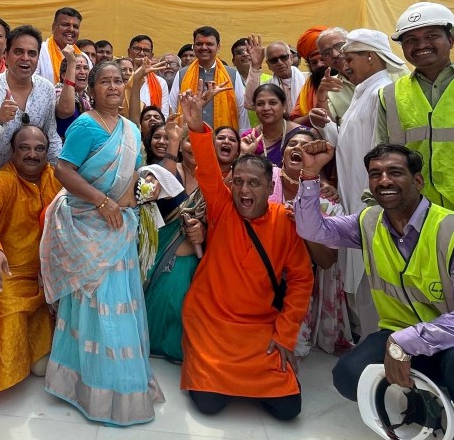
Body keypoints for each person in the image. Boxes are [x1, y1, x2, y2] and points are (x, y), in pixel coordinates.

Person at [179, 80, 313, 420]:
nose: (243, 190)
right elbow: (208, 170)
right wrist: (196, 125)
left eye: (254, 183)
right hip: (212, 322)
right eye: (237, 182)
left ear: (271, 187)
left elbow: (300, 281)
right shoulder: (222, 207)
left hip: (261, 328)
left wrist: (285, 336)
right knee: (209, 406)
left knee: (288, 411)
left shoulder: (285, 220)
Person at [39, 61, 164, 425]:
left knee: (120, 302)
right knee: (95, 305)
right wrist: (102, 201)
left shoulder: (127, 126)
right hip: (89, 225)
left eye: (118, 81)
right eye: (105, 81)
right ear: (90, 89)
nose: (112, 86)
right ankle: (88, 385)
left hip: (120, 227)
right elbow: (62, 169)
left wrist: (142, 190)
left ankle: (124, 385)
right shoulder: (85, 124)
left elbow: (133, 154)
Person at [294, 140, 454, 403]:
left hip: (446, 339)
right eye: (375, 174)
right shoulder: (367, 222)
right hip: (395, 332)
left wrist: (406, 342)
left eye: (395, 172)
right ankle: (420, 396)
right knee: (348, 375)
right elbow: (311, 230)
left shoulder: (448, 229)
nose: (384, 181)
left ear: (417, 181)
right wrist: (311, 175)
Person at [309, 29, 407, 341]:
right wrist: (325, 123)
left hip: (375, 209)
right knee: (363, 292)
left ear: (371, 57)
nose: (344, 63)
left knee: (377, 292)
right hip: (357, 206)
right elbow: (348, 145)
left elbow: (384, 155)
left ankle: (383, 362)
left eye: (350, 57)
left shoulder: (385, 92)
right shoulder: (363, 91)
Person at [0, 125, 61, 396]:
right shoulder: (1, 181)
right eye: (25, 148)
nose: (32, 154)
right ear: (12, 151)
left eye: (39, 148)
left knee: (42, 366)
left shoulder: (56, 179)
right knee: (7, 315)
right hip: (6, 277)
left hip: (44, 281)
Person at [268, 129, 352, 356]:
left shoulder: (328, 203)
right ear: (283, 152)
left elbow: (327, 262)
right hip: (259, 275)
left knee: (293, 349)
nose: (297, 148)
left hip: (301, 283)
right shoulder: (263, 182)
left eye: (305, 145)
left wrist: (306, 231)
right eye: (292, 143)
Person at [377, 1, 454, 209]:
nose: (421, 45)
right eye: (411, 40)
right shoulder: (390, 94)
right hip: (418, 210)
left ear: (450, 39)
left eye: (431, 36)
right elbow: (383, 156)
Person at [141, 120, 203, 362]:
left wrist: (204, 230)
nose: (194, 146)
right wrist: (173, 141)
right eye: (189, 140)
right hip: (160, 258)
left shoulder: (213, 178)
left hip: (194, 261)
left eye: (201, 142)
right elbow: (154, 182)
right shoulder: (164, 170)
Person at [0, 25, 62, 170]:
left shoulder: (46, 89)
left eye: (32, 53)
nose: (25, 58)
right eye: (18, 51)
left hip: (33, 178)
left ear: (38, 58)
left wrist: (60, 172)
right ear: (6, 55)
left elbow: (51, 135)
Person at [170, 26, 250, 132]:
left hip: (223, 141)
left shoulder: (232, 75)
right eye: (199, 44)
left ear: (218, 47)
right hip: (189, 141)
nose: (204, 47)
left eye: (209, 44)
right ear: (193, 47)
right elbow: (172, 109)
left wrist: (243, 139)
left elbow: (241, 112)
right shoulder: (182, 74)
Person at [241, 83, 302, 166]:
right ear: (255, 108)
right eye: (260, 104)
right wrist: (246, 154)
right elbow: (235, 176)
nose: (266, 108)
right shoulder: (249, 138)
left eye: (272, 103)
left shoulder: (301, 134)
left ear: (284, 106)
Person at [244, 38, 306, 116]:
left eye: (283, 57)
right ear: (268, 65)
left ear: (291, 58)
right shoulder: (268, 87)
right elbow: (250, 104)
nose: (279, 63)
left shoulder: (308, 80)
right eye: (274, 60)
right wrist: (256, 66)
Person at [36, 7, 91, 84]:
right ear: (53, 27)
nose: (71, 29)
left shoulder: (84, 58)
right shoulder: (39, 52)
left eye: (75, 26)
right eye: (65, 25)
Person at [290, 26, 331, 124]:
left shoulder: (351, 79)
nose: (319, 65)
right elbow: (294, 121)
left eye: (323, 59)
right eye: (314, 62)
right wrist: (310, 117)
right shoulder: (309, 87)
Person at [55, 46, 92, 139]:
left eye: (86, 68)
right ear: (64, 75)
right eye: (77, 67)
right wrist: (71, 62)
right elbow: (66, 110)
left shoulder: (88, 98)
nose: (83, 72)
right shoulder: (56, 93)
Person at [128, 35, 170, 117]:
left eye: (146, 50)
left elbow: (164, 115)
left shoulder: (161, 82)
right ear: (129, 52)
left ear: (151, 55)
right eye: (137, 49)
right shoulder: (122, 78)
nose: (141, 53)